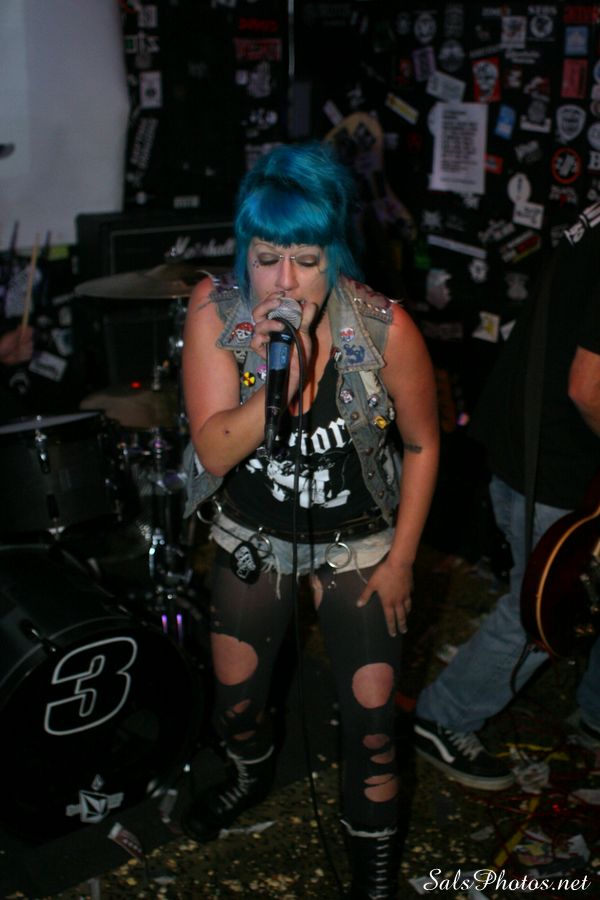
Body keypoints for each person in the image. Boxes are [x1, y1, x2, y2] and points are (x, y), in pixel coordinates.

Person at [181, 141, 439, 898]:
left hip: (359, 540)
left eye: (305, 259)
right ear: (246, 253)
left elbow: (424, 444)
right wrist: (278, 382)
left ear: (335, 254)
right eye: (267, 258)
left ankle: (374, 868)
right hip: (254, 534)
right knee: (236, 703)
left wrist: (402, 560)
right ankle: (249, 770)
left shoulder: (384, 328)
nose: (285, 282)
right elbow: (214, 450)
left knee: (372, 725)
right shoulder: (217, 310)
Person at [414, 200, 600, 791]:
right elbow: (589, 387)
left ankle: (596, 715)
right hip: (558, 460)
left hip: (532, 437)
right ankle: (443, 718)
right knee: (544, 612)